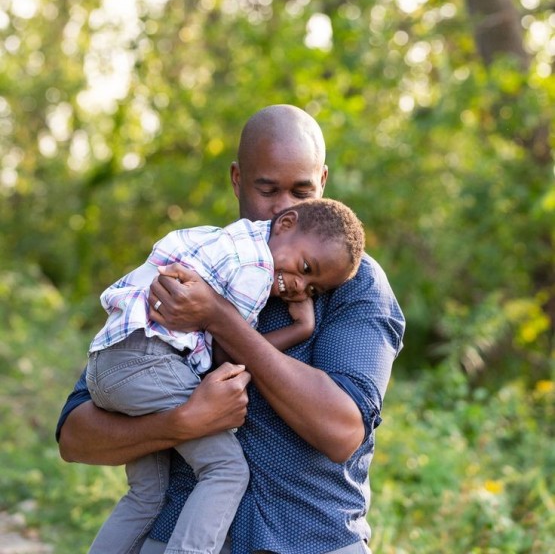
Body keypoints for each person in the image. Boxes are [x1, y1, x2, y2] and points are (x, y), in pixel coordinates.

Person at [57, 104, 405, 554]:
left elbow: (341, 432)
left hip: (311, 540)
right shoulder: (197, 264)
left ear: (322, 183)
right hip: (177, 537)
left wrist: (219, 318)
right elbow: (76, 436)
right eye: (267, 190)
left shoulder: (354, 284)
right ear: (238, 180)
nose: (284, 208)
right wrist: (179, 423)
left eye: (301, 191)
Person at [85, 199, 365, 554]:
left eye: (312, 289)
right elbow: (227, 354)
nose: (298, 286)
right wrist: (300, 328)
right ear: (285, 223)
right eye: (305, 267)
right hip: (151, 364)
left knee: (146, 494)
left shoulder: (222, 239)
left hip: (110, 361)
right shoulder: (255, 270)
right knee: (227, 470)